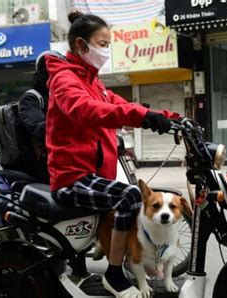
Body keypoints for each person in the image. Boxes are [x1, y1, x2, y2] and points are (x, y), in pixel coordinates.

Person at [45, 11, 178, 297]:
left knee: (128, 196)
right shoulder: (64, 79)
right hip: (73, 178)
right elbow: (87, 110)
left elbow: (120, 104)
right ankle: (114, 273)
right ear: (81, 45)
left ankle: (125, 259)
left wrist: (167, 116)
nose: (106, 50)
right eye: (102, 44)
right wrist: (143, 117)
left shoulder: (94, 83)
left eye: (108, 44)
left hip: (92, 175)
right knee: (130, 195)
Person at [17, 51, 65, 183]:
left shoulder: (60, 96)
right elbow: (41, 129)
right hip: (41, 162)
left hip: (62, 157)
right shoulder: (31, 98)